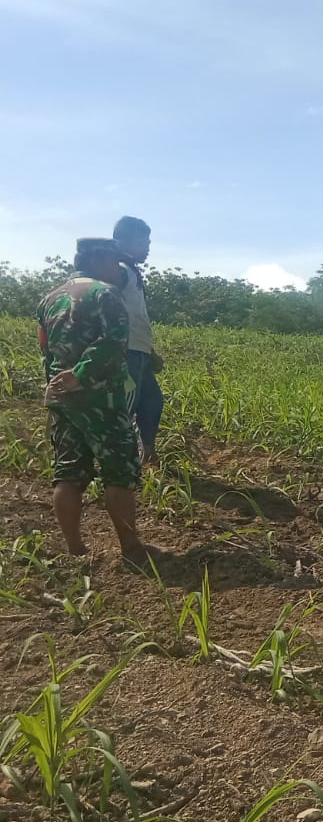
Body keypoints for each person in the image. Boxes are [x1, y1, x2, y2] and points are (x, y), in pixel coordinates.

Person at [37, 238, 159, 565]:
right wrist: (80, 374)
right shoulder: (106, 295)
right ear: (101, 260)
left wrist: (61, 383)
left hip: (62, 398)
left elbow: (46, 348)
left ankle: (75, 549)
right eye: (115, 262)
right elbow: (113, 343)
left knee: (69, 473)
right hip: (101, 397)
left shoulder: (50, 299)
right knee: (119, 471)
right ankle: (132, 550)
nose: (119, 269)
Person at [113, 216, 163, 470]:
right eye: (143, 241)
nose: (148, 246)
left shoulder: (131, 271)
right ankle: (120, 464)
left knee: (152, 401)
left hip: (140, 352)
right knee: (126, 407)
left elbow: (135, 316)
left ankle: (147, 453)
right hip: (127, 352)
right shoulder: (118, 271)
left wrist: (150, 351)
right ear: (122, 242)